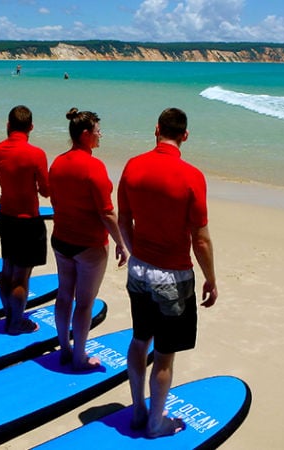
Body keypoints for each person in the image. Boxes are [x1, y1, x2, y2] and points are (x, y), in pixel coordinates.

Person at [117, 107, 218, 438]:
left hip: (139, 271)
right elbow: (200, 240)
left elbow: (123, 220)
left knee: (138, 338)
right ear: (185, 136)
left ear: (156, 129)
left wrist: (136, 253)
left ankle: (138, 410)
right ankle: (156, 423)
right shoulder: (191, 177)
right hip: (173, 278)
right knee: (163, 357)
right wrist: (211, 279)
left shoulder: (132, 166)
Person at [49, 108, 128, 371]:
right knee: (84, 302)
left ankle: (65, 348)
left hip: (61, 239)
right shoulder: (93, 167)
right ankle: (80, 357)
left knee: (63, 295)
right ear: (85, 135)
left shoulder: (58, 162)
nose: (100, 134)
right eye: (96, 131)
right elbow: (107, 212)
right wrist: (121, 243)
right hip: (88, 244)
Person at [0, 105, 49, 335]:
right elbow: (45, 191)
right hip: (27, 219)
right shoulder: (36, 154)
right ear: (31, 127)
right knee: (21, 276)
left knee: (7, 269)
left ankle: (9, 315)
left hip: (5, 215)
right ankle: (16, 323)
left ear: (8, 125)